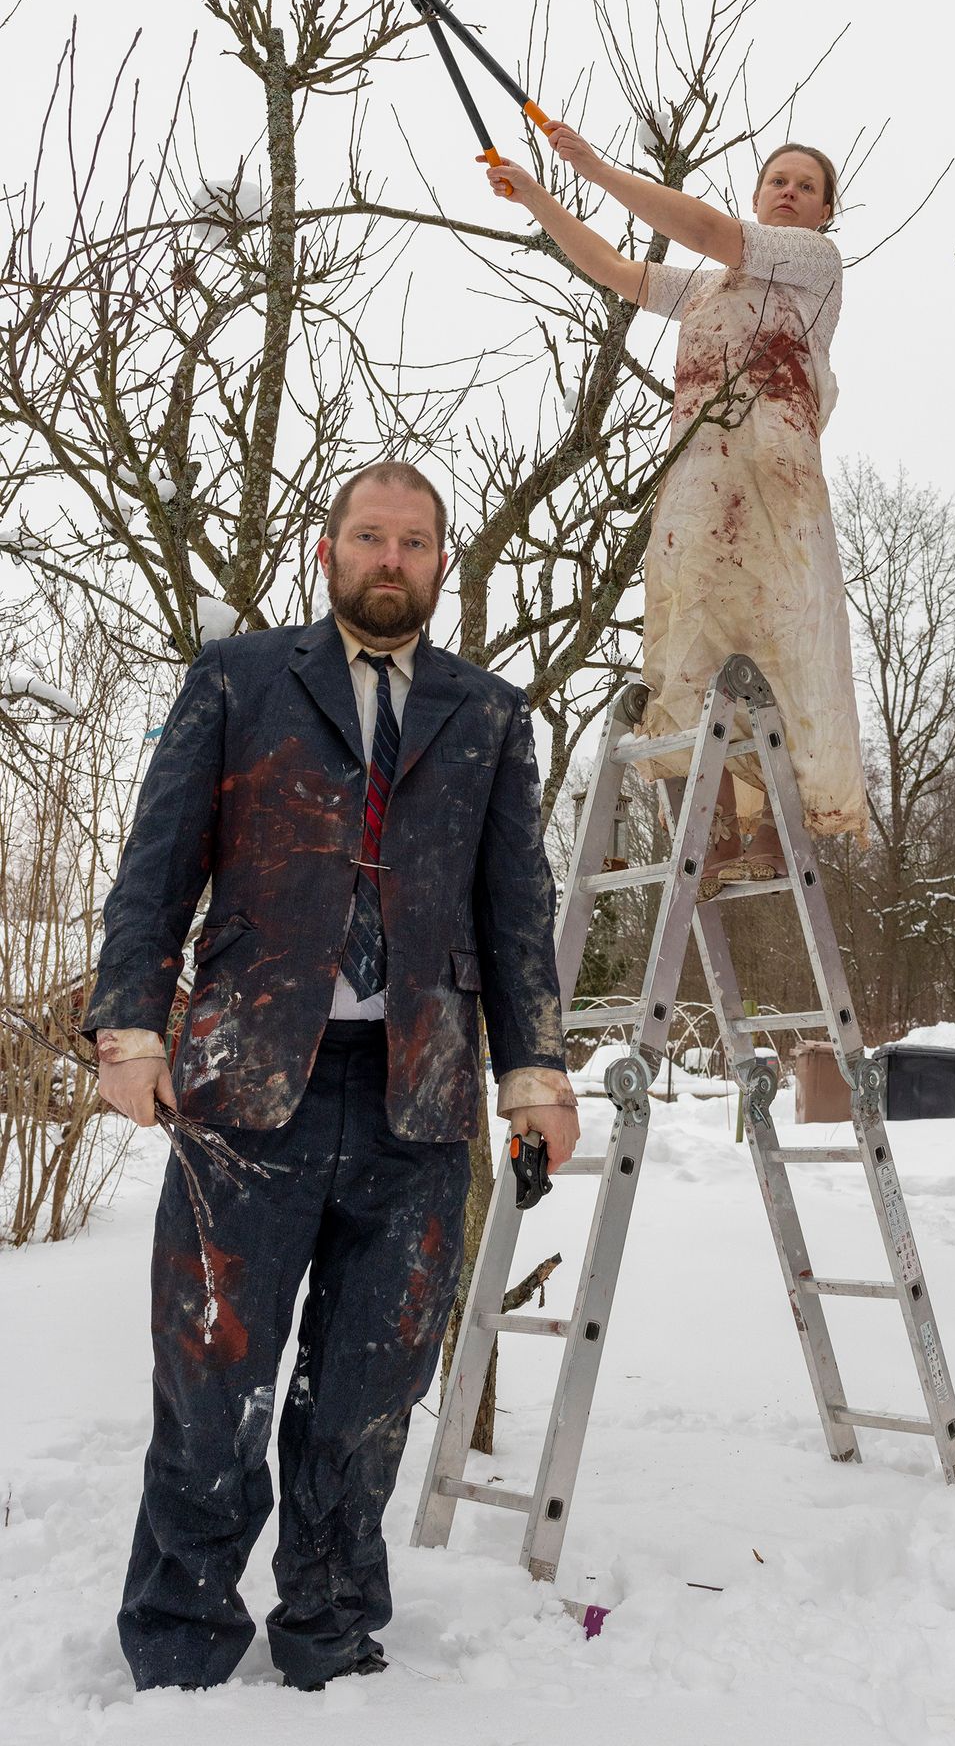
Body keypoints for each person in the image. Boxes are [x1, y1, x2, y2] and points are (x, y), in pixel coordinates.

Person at [84, 460, 578, 1693]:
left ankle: (329, 1627)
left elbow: (518, 907)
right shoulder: (239, 681)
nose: (390, 558)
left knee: (369, 1391)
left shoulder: (491, 713)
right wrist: (129, 1026)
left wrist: (535, 1072)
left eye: (414, 540)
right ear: (328, 549)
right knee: (213, 1378)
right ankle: (185, 1640)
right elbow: (157, 865)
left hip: (419, 1101)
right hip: (249, 1087)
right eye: (370, 536)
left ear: (441, 561)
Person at [483, 131, 869, 892]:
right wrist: (537, 196)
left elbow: (705, 228)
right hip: (700, 490)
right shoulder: (705, 289)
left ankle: (767, 830)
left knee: (774, 641)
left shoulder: (812, 266)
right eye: (776, 181)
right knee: (694, 640)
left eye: (806, 186)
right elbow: (616, 269)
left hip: (775, 485)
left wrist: (593, 165)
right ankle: (719, 831)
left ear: (825, 214)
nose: (788, 191)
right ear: (757, 192)